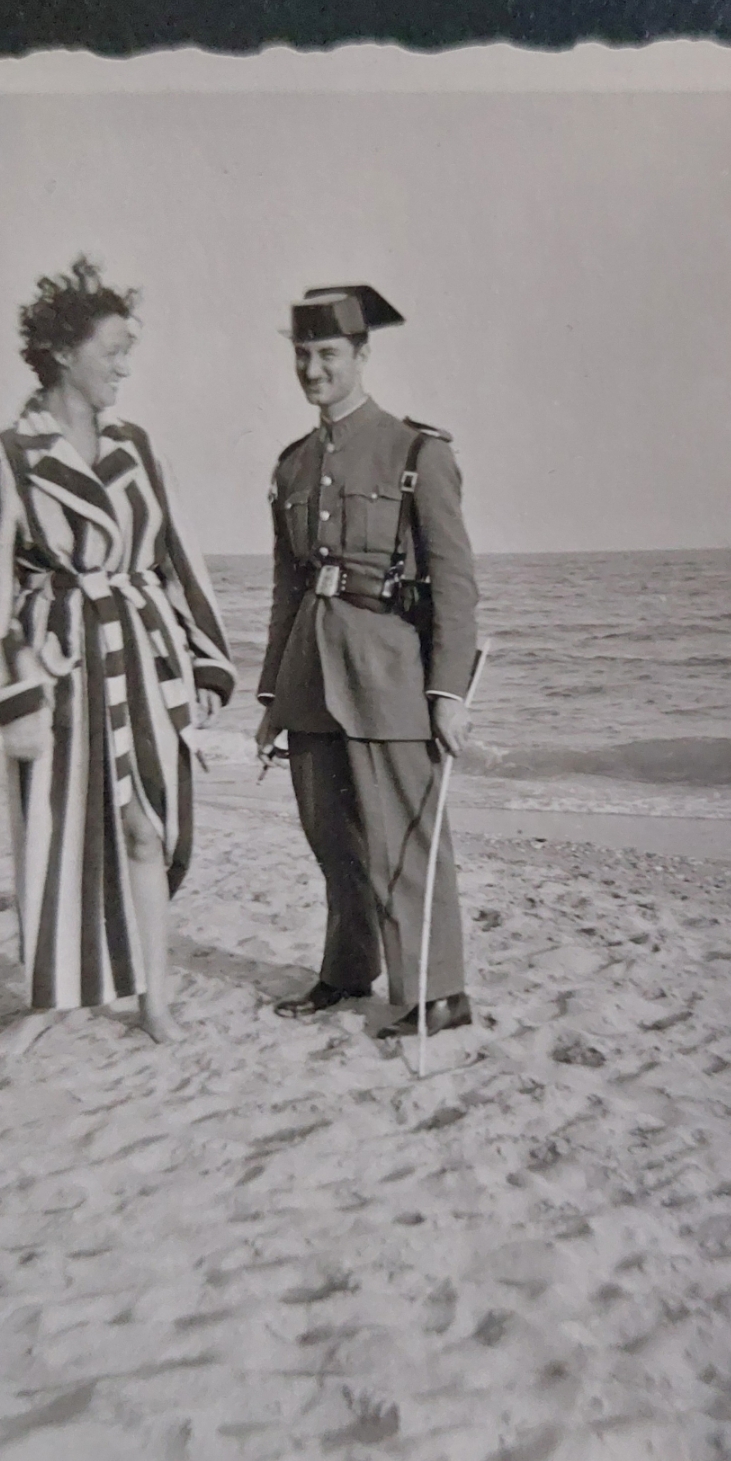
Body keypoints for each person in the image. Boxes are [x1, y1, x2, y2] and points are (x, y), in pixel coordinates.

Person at [0, 257, 235, 1044]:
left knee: (148, 827)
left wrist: (207, 659)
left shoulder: (137, 447)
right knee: (56, 835)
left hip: (140, 655)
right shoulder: (7, 455)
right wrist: (13, 698)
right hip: (59, 667)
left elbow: (180, 556)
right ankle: (51, 1000)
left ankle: (153, 1000)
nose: (124, 366)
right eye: (112, 350)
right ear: (63, 351)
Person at [255, 285, 478, 1038]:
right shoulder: (292, 465)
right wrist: (271, 696)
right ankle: (349, 970)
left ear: (362, 354)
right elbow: (288, 588)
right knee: (333, 837)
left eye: (327, 355)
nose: (312, 370)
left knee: (404, 838)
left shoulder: (417, 452)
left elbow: (455, 581)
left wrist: (448, 691)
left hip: (388, 671)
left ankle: (437, 993)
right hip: (310, 673)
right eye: (302, 355)